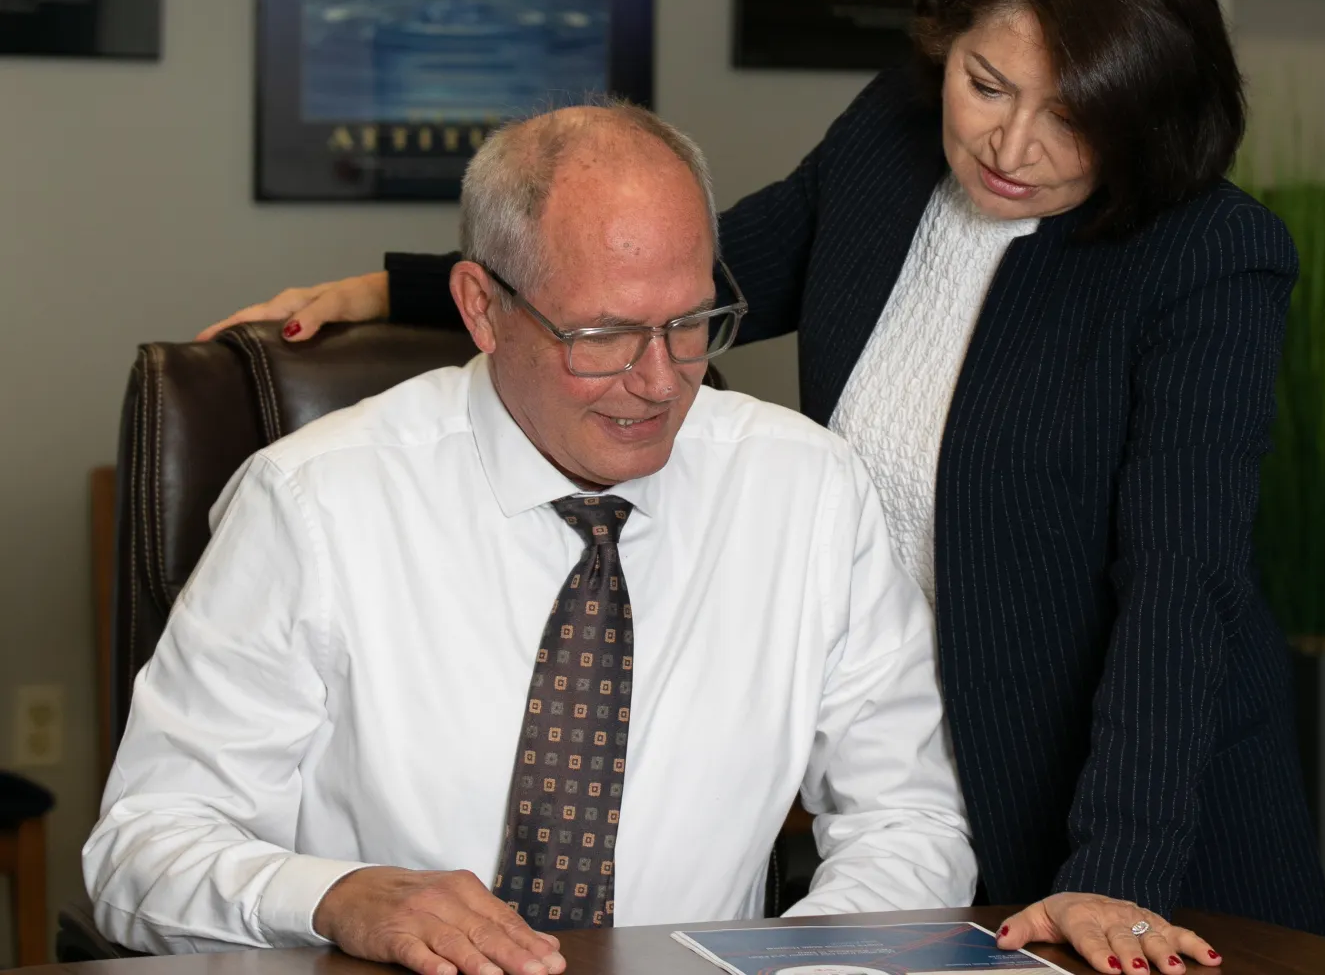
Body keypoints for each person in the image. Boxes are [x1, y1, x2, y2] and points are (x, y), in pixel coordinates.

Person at [205, 0, 1325, 973]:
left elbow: (1180, 591)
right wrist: (407, 289)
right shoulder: (892, 143)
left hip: (1143, 840)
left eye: (1075, 110)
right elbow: (683, 284)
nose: (1013, 144)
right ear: (942, 41)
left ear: (1147, 94)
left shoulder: (1210, 259)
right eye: (987, 84)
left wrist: (1116, 869)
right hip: (933, 826)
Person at [88, 105, 983, 973]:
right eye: (603, 335)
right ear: (481, 307)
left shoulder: (810, 494)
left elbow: (907, 821)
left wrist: (813, 969)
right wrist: (334, 898)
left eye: (689, 325)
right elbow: (141, 849)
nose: (659, 381)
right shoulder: (316, 504)